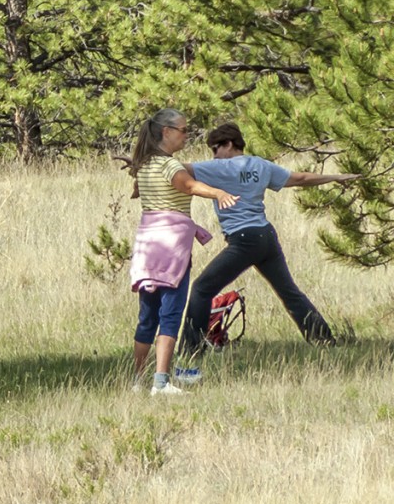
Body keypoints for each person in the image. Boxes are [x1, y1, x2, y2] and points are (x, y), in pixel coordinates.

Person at [179, 123, 361, 353]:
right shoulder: (261, 165)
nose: (214, 156)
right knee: (289, 292)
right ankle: (325, 341)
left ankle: (190, 351)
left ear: (228, 144)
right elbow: (301, 178)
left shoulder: (220, 168)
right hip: (266, 237)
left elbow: (176, 168)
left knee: (201, 289)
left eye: (215, 149)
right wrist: (336, 176)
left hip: (244, 239)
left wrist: (142, 162)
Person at [127, 109, 239, 396]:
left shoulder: (145, 164)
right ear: (166, 131)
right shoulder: (168, 165)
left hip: (147, 246)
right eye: (183, 130)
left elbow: (142, 190)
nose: (186, 135)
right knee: (171, 313)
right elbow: (188, 185)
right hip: (171, 247)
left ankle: (137, 381)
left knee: (147, 315)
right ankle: (160, 383)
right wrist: (218, 193)